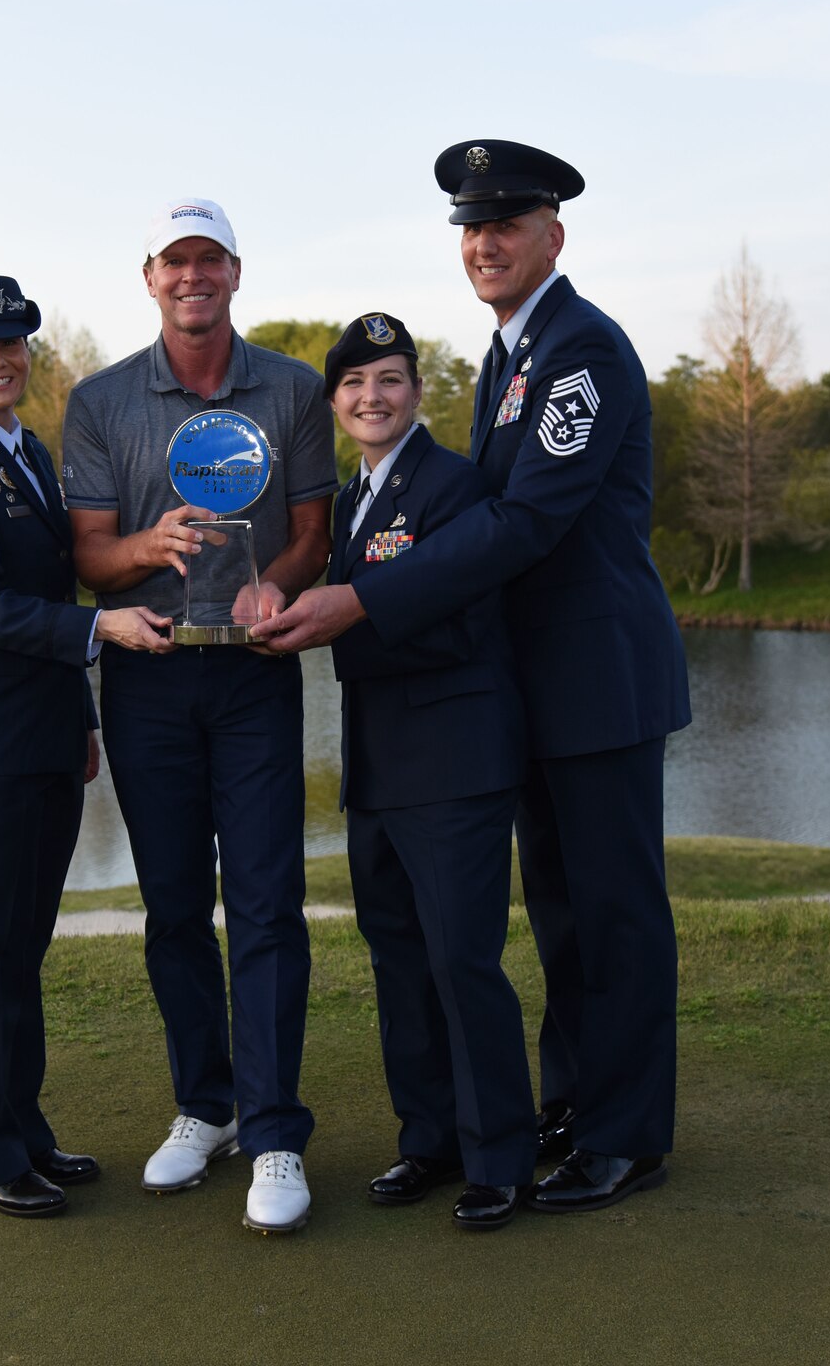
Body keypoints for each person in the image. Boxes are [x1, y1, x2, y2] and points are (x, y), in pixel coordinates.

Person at [254, 142, 693, 1213]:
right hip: (532, 688)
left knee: (612, 912)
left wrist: (361, 599)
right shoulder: (509, 356)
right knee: (558, 909)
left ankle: (626, 1135)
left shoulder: (577, 351)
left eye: (507, 221)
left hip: (597, 679)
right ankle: (577, 1099)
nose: (484, 241)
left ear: (554, 234)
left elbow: (523, 520)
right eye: (469, 226)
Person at [61, 199, 337, 1234]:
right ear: (148, 276)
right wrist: (152, 545)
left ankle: (273, 1133)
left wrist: (271, 583)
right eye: (175, 262)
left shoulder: (295, 388)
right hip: (148, 676)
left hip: (256, 671)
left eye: (208, 260)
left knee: (265, 902)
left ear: (233, 271)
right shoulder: (98, 400)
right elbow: (87, 554)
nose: (192, 277)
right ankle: (205, 1104)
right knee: (175, 906)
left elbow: (312, 529)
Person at [0, 274, 174, 1219]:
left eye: (11, 344)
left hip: (44, 742)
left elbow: (51, 594)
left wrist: (83, 721)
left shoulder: (32, 455)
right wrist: (105, 635)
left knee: (21, 952)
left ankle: (26, 1130)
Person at [320, 312, 537, 1230]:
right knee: (400, 961)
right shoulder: (343, 500)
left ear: (418, 393)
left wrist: (341, 617)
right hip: (377, 767)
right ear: (335, 402)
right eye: (356, 384)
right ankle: (429, 1142)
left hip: (454, 764)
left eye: (392, 380)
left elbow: (455, 616)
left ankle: (500, 1160)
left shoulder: (456, 486)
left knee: (460, 961)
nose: (374, 397)